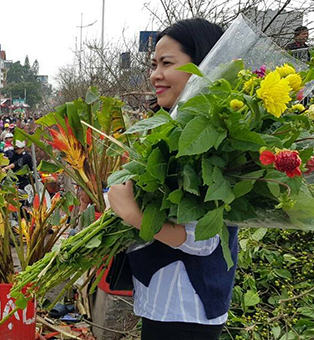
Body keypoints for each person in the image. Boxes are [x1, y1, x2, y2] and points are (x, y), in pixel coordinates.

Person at [108, 18, 234, 340]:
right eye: (153, 64)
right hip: (165, 300)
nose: (155, 75)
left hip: (185, 307)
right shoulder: (176, 126)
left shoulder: (213, 134)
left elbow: (203, 240)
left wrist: (131, 213)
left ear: (203, 64)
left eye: (167, 63)